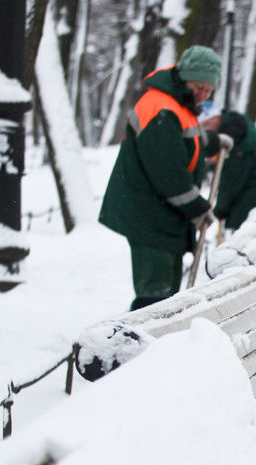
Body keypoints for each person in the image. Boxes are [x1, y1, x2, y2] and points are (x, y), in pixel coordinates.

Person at [99, 45, 233, 311]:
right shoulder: (160, 108)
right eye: (198, 87)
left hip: (163, 214)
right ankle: (145, 344)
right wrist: (197, 207)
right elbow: (167, 170)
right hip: (149, 213)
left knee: (168, 295)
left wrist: (212, 140)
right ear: (184, 78)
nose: (203, 95)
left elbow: (185, 140)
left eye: (208, 90)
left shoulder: (178, 105)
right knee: (156, 295)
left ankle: (163, 339)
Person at [196, 102, 256, 233]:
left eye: (206, 125)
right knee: (240, 221)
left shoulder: (230, 134)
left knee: (238, 222)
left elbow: (231, 178)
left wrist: (221, 208)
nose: (207, 130)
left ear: (216, 118)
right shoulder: (233, 123)